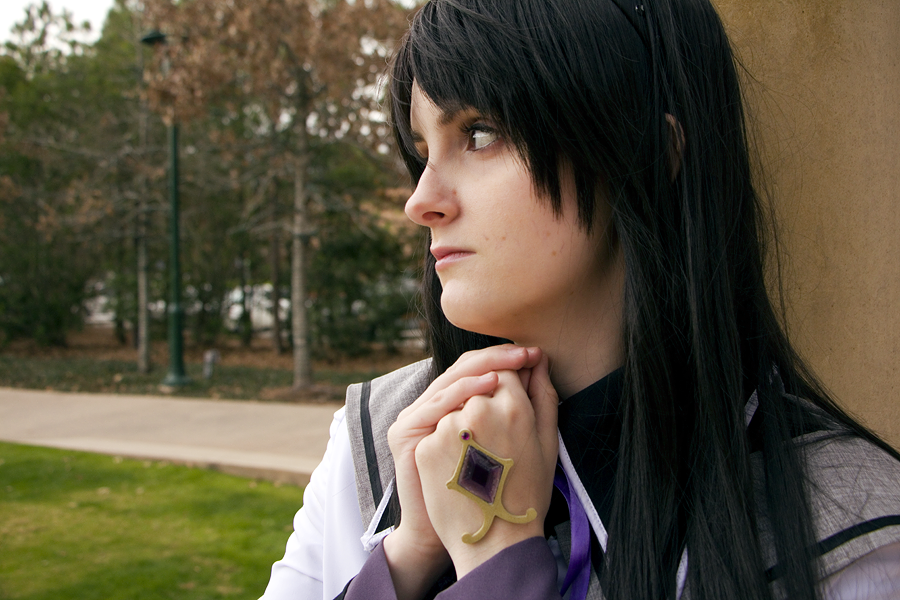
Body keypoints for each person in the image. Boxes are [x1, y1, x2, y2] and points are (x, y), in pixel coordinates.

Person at [261, 1, 900, 599]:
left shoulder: (847, 522)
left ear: (649, 154)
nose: (420, 201)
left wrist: (498, 566)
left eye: (479, 133)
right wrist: (405, 559)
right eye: (424, 152)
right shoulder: (377, 443)